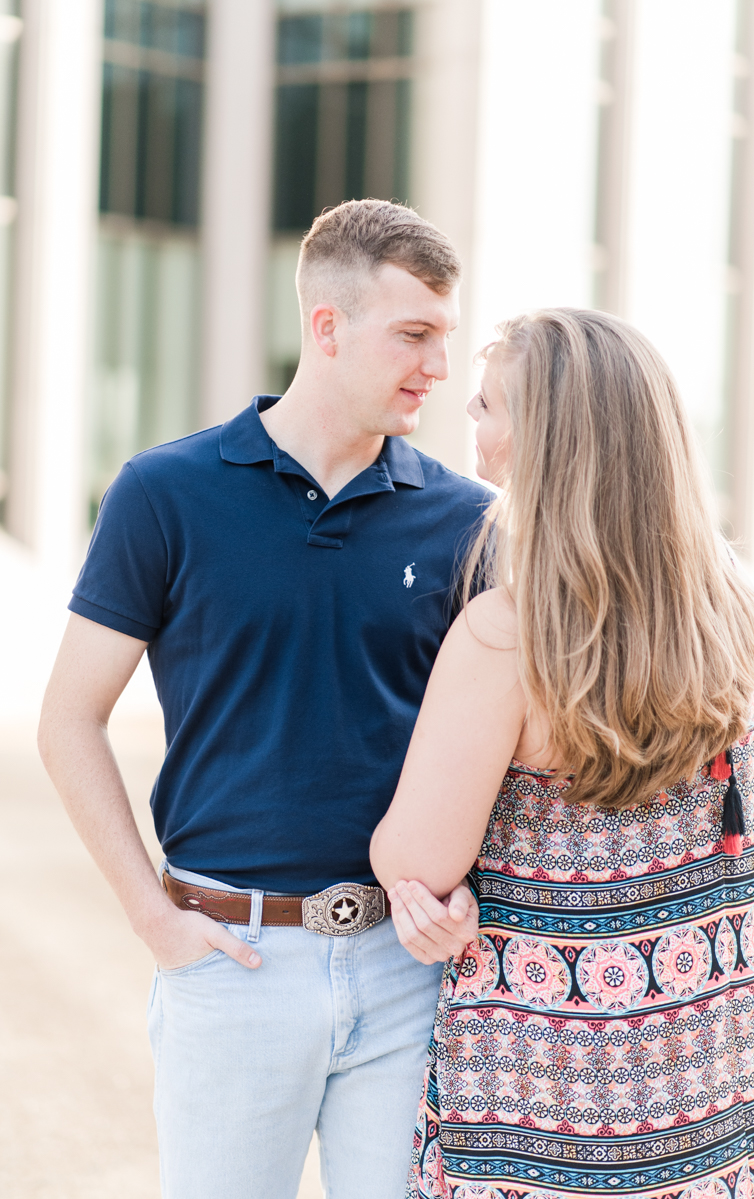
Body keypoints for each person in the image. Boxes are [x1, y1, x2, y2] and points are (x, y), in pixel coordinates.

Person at [37, 199, 489, 1199]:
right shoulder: (165, 492)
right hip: (228, 961)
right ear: (324, 328)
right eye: (412, 335)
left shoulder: (467, 524)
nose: (436, 368)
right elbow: (68, 718)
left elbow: (497, 742)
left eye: (444, 338)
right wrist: (151, 916)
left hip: (406, 971)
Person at [371, 308, 754, 1199]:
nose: (473, 427)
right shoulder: (738, 616)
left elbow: (416, 860)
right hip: (726, 1115)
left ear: (545, 441)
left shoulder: (509, 638)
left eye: (487, 407)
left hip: (551, 1119)